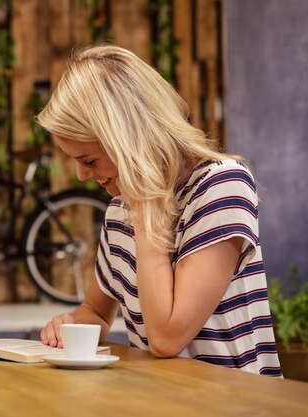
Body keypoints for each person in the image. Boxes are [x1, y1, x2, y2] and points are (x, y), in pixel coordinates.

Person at [37, 44, 282, 377]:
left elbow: (167, 338)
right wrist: (68, 325)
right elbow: (96, 310)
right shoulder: (119, 212)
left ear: (129, 140)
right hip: (163, 401)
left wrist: (146, 205)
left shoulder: (221, 185)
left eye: (89, 160)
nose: (81, 175)